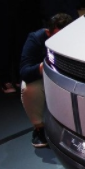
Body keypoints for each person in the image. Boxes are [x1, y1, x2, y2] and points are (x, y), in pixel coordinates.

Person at [19, 13, 73, 148]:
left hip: (69, 80)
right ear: (48, 33)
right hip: (46, 77)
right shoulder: (35, 39)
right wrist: (45, 65)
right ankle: (39, 129)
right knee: (29, 89)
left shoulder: (78, 40)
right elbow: (25, 72)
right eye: (58, 36)